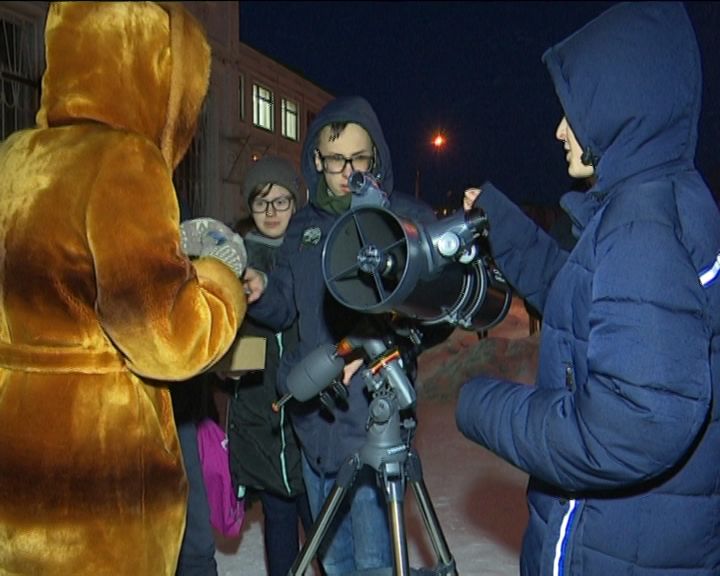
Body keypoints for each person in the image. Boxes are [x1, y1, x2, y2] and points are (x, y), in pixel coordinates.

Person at [455, 3, 720, 575]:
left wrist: (481, 403)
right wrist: (505, 225)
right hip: (633, 537)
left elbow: (630, 424)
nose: (559, 129)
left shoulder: (642, 227)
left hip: (615, 549)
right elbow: (587, 306)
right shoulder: (660, 198)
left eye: (574, 110)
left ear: (620, 105)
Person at [0, 3, 247, 575]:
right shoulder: (124, 160)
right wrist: (217, 279)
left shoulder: (12, 157)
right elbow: (169, 337)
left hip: (17, 462)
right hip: (100, 479)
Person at [244, 96, 437, 574]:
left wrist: (385, 342)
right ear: (316, 160)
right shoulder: (303, 229)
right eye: (336, 159)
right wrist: (260, 289)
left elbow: (435, 314)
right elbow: (284, 304)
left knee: (375, 564)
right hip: (316, 422)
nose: (349, 170)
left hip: (373, 422)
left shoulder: (400, 221)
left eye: (359, 158)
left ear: (377, 157)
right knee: (334, 560)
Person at [224, 156, 315, 576]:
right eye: (263, 204)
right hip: (261, 414)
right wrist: (227, 364)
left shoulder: (308, 252)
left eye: (281, 201)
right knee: (279, 526)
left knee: (322, 527)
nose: (273, 212)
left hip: (311, 414)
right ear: (251, 208)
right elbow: (224, 335)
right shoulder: (235, 263)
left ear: (295, 203)